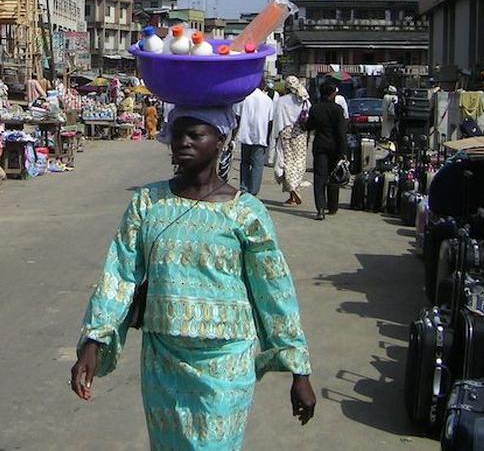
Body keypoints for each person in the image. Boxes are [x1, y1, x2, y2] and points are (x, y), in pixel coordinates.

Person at [71, 106, 315, 448]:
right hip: (163, 360)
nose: (182, 143)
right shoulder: (147, 203)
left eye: (195, 135)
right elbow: (120, 273)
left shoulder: (246, 212)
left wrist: (298, 369)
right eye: (177, 135)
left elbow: (274, 291)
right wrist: (93, 342)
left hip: (226, 362)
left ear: (220, 141)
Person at [306, 81, 348, 221]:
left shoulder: (315, 108)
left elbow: (309, 126)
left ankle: (320, 209)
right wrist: (343, 152)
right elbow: (342, 132)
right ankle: (333, 206)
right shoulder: (337, 109)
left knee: (319, 178)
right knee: (334, 176)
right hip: (335, 148)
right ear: (332, 94)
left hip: (320, 146)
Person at [271, 76, 311, 206]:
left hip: (285, 133)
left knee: (286, 162)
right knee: (298, 162)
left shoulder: (282, 101)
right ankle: (294, 190)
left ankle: (293, 191)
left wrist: (275, 135)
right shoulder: (304, 100)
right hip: (300, 134)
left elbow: (277, 119)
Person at [235, 86, 275, 196]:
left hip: (245, 136)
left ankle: (244, 188)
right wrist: (267, 139)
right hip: (260, 137)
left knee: (245, 163)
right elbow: (270, 122)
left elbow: (237, 118)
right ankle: (253, 192)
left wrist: (234, 136)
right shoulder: (267, 100)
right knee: (257, 166)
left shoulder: (243, 98)